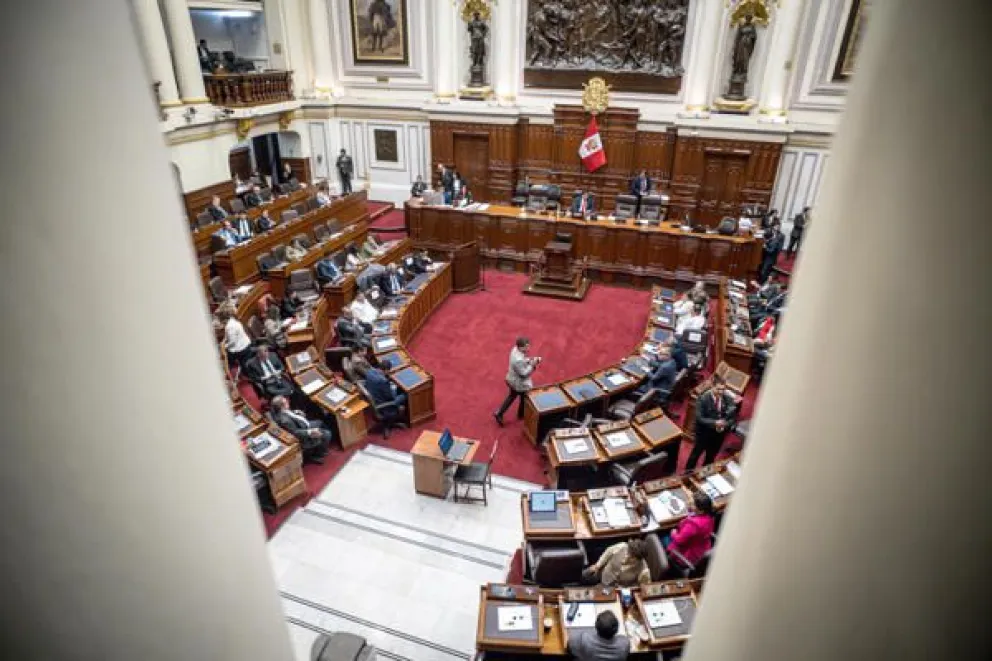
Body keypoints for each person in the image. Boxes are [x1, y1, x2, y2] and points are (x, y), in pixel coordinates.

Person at [686, 375, 738, 470]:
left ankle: (704, 474)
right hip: (704, 433)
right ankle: (686, 475)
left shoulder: (728, 398)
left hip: (718, 435)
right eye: (718, 389)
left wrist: (725, 424)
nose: (721, 392)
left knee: (710, 457)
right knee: (695, 456)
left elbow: (732, 418)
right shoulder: (703, 399)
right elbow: (699, 418)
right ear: (712, 386)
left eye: (723, 389)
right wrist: (715, 423)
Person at [493, 337, 542, 426]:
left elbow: (522, 361)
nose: (528, 348)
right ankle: (520, 414)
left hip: (512, 379)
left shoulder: (515, 349)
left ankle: (500, 413)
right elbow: (523, 374)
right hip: (518, 383)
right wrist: (533, 365)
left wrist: (529, 360)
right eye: (526, 347)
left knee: (512, 396)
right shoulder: (517, 360)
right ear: (520, 347)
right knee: (524, 397)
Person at [270, 396, 331, 465]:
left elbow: (288, 413)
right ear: (282, 406)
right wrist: (309, 432)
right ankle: (318, 455)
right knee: (327, 434)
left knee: (320, 422)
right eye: (286, 402)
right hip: (303, 435)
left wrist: (295, 412)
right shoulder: (285, 421)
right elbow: (295, 433)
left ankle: (322, 444)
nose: (288, 401)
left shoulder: (281, 411)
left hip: (304, 425)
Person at [664, 492, 716, 573]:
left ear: (701, 510)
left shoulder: (693, 524)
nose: (688, 503)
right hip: (702, 547)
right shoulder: (710, 516)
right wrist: (690, 509)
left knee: (663, 537)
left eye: (692, 504)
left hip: (688, 554)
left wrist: (673, 533)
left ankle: (667, 566)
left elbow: (679, 540)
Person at [583, 538, 650, 588]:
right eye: (628, 552)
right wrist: (598, 565)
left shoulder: (644, 571)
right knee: (584, 575)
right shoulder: (622, 546)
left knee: (595, 595)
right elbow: (608, 551)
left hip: (612, 588)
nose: (627, 556)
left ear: (639, 559)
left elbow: (642, 588)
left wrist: (625, 589)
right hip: (602, 572)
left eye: (632, 557)